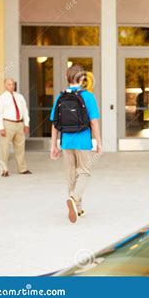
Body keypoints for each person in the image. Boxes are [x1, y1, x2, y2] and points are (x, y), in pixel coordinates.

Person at [49, 65, 102, 224]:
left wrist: (54, 145)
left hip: (66, 141)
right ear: (82, 79)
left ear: (67, 78)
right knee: (84, 172)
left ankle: (77, 208)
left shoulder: (60, 97)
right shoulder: (88, 96)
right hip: (82, 141)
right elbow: (93, 122)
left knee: (71, 175)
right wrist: (98, 142)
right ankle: (74, 198)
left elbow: (54, 123)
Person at [0, 78, 32, 177]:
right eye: (9, 84)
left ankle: (22, 168)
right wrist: (1, 128)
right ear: (5, 85)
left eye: (13, 84)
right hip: (7, 124)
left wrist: (26, 124)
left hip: (19, 124)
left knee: (20, 147)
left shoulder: (20, 97)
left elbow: (25, 111)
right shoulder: (1, 98)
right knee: (4, 148)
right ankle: (4, 170)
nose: (11, 86)